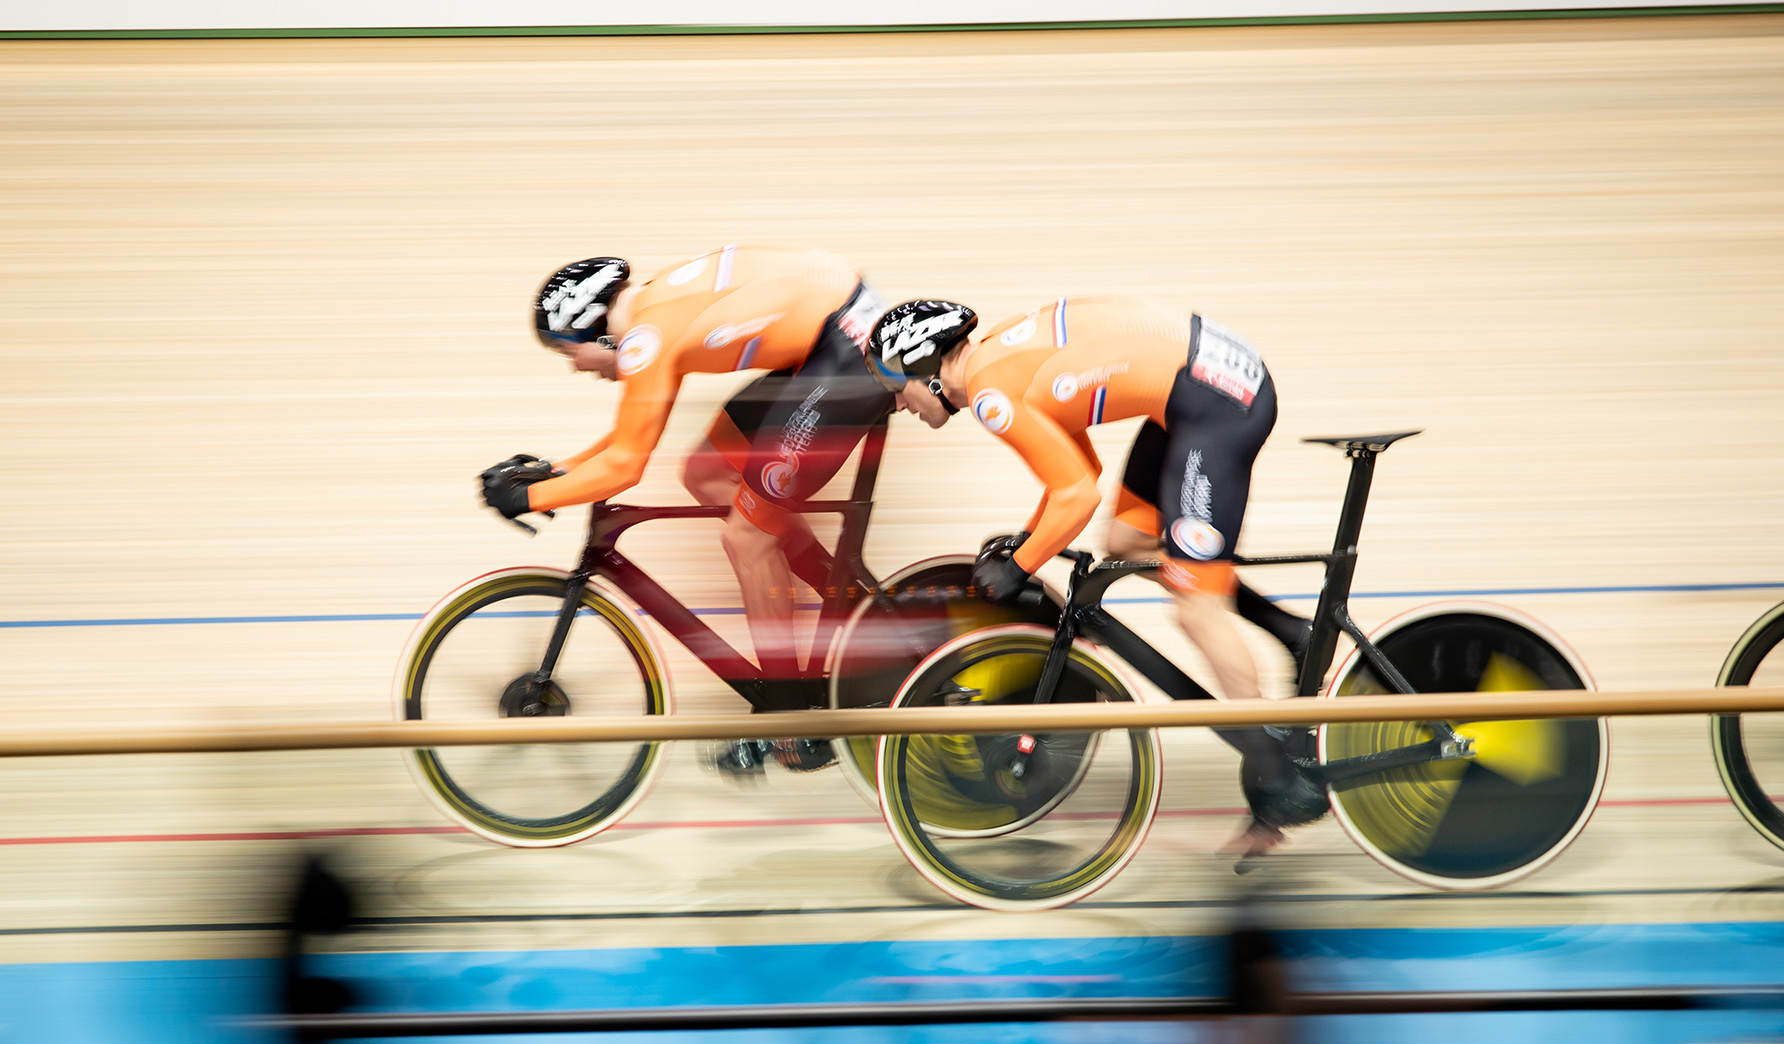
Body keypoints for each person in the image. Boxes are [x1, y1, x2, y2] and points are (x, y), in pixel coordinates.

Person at [865, 296, 1325, 853]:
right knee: (1126, 544)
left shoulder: (989, 396)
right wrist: (1026, 543)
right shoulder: (991, 364)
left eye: (895, 386)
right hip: (1198, 387)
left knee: (1195, 610)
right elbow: (1078, 471)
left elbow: (1077, 494)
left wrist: (1021, 564)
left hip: (1214, 401)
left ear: (924, 367)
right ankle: (1288, 630)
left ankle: (1277, 778)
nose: (897, 403)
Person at [478, 247, 893, 775]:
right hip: (834, 334)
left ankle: (790, 719)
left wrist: (530, 498)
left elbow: (625, 467)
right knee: (706, 472)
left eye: (569, 353)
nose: (578, 368)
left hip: (843, 344)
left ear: (593, 331)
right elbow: (630, 436)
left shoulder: (645, 340)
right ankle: (852, 604)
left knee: (748, 536)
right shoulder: (651, 319)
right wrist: (554, 470)